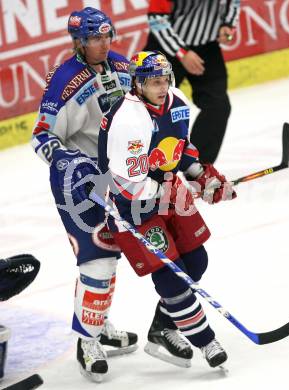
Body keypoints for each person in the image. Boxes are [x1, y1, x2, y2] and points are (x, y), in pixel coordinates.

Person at [97, 51, 236, 368]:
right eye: (154, 82)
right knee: (171, 278)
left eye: (165, 80)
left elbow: (180, 148)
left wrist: (202, 176)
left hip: (165, 189)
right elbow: (129, 187)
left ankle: (163, 328)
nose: (162, 87)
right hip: (130, 206)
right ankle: (206, 342)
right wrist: (174, 188)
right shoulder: (127, 122)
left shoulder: (175, 101)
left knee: (196, 260)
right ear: (138, 84)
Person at [31, 7, 137, 382]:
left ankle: (99, 321)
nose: (104, 44)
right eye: (95, 38)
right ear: (79, 42)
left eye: (108, 36)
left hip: (120, 176)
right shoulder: (64, 80)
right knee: (97, 259)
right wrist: (72, 164)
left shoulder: (122, 67)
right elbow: (41, 136)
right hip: (80, 183)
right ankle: (86, 340)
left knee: (114, 253)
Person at [144, 0, 241, 164]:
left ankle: (197, 167)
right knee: (148, 110)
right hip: (166, 45)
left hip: (206, 45)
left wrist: (228, 24)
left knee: (218, 106)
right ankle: (143, 170)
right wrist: (182, 52)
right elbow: (157, 19)